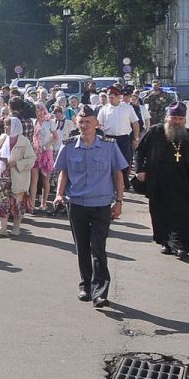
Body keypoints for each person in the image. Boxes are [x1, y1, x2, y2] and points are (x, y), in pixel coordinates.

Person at [52, 106, 129, 307]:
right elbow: (64, 173)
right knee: (82, 247)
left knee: (98, 247)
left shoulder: (109, 146)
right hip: (77, 204)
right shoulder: (68, 146)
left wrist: (119, 202)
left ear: (97, 124)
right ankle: (85, 285)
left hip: (101, 204)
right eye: (81, 121)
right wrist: (59, 194)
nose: (85, 125)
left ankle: (100, 292)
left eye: (88, 122)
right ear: (76, 124)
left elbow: (118, 174)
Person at [135, 102, 189, 256]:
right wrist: (140, 170)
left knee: (181, 213)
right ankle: (165, 242)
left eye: (180, 118)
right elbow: (140, 152)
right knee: (160, 212)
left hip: (182, 181)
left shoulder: (187, 135)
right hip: (158, 180)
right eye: (174, 118)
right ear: (167, 117)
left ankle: (181, 245)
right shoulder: (155, 132)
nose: (177, 121)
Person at [0, 117, 35, 237]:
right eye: (4, 126)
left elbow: (31, 159)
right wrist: (2, 159)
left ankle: (16, 227)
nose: (5, 128)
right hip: (2, 175)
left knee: (17, 204)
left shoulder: (23, 141)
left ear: (15, 126)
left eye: (8, 126)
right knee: (1, 201)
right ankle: (2, 228)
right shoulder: (3, 138)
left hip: (18, 177)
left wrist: (16, 163)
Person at [96, 86, 140, 166]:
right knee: (110, 162)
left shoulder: (128, 108)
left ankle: (125, 178)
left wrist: (136, 138)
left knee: (126, 162)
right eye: (109, 98)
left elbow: (135, 123)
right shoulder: (104, 109)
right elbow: (98, 124)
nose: (110, 100)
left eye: (112, 98)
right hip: (109, 139)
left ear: (118, 97)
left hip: (124, 139)